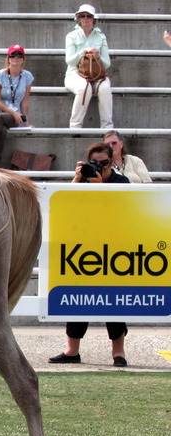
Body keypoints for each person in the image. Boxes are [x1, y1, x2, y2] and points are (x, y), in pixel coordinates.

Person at [49, 142, 130, 368]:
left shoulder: (121, 182)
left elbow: (122, 211)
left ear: (112, 161)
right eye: (95, 163)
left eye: (104, 162)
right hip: (84, 245)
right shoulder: (83, 181)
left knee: (114, 300)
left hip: (113, 248)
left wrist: (100, 187)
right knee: (78, 297)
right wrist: (77, 180)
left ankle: (118, 352)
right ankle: (72, 351)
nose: (100, 167)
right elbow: (64, 204)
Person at [0, 44, 34, 166]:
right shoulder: (0, 75)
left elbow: (25, 101)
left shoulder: (27, 77)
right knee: (1, 129)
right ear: (8, 58)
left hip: (12, 115)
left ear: (23, 59)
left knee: (0, 118)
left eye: (19, 55)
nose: (16, 58)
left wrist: (26, 121)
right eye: (12, 55)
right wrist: (14, 113)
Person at [65, 4, 113, 130]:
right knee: (84, 87)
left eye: (88, 16)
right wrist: (83, 52)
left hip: (97, 75)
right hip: (75, 74)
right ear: (79, 18)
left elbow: (107, 63)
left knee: (105, 88)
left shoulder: (101, 37)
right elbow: (69, 61)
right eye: (83, 16)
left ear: (93, 19)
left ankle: (107, 128)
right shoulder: (71, 36)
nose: (85, 18)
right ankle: (75, 127)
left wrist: (97, 56)